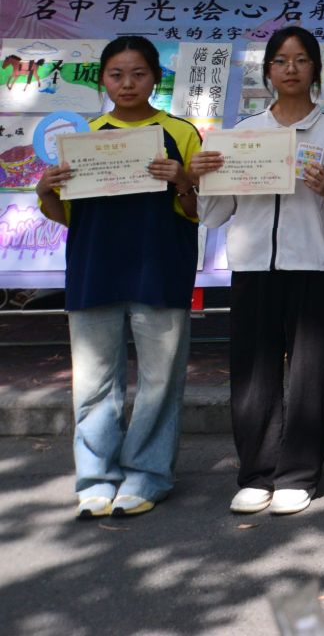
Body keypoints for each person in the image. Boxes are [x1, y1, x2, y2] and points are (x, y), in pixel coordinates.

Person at [191, 28, 324, 516]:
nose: (290, 69)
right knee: (253, 372)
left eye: (301, 60)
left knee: (312, 374)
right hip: (253, 268)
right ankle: (257, 473)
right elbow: (215, 214)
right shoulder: (242, 135)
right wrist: (203, 176)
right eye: (281, 61)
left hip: (313, 268)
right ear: (267, 71)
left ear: (315, 71)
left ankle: (299, 474)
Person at [36, 37, 203, 518]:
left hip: (160, 269)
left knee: (159, 382)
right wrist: (46, 191)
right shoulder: (81, 138)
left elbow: (199, 210)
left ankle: (148, 476)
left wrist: (182, 180)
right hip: (95, 270)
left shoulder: (181, 133)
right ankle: (95, 479)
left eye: (138, 73)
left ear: (156, 78)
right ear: (103, 80)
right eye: (116, 74)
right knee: (92, 383)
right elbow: (67, 216)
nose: (127, 84)